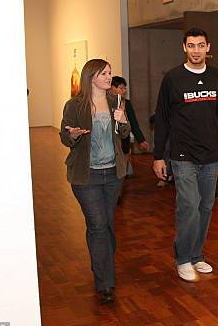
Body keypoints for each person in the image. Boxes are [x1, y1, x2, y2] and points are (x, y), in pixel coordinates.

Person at [153, 28, 218, 282]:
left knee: (206, 207)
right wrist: (158, 155)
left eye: (200, 45)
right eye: (191, 45)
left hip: (211, 154)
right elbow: (161, 118)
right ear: (184, 47)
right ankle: (182, 258)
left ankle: (196, 255)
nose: (196, 50)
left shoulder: (216, 77)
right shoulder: (173, 78)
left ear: (208, 47)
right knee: (189, 207)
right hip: (182, 155)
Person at [59, 59, 130, 304]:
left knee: (106, 225)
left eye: (110, 72)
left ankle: (101, 265)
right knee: (99, 225)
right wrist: (73, 135)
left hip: (112, 175)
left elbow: (124, 135)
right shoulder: (74, 105)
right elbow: (64, 138)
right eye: (104, 73)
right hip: (86, 176)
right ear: (91, 77)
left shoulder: (116, 101)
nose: (109, 77)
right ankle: (105, 282)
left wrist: (122, 122)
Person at [110, 76, 150, 176]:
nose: (124, 91)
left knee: (121, 171)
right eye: (121, 88)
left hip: (124, 141)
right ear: (112, 88)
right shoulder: (106, 103)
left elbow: (133, 122)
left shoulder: (126, 103)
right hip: (111, 142)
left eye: (125, 88)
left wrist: (141, 140)